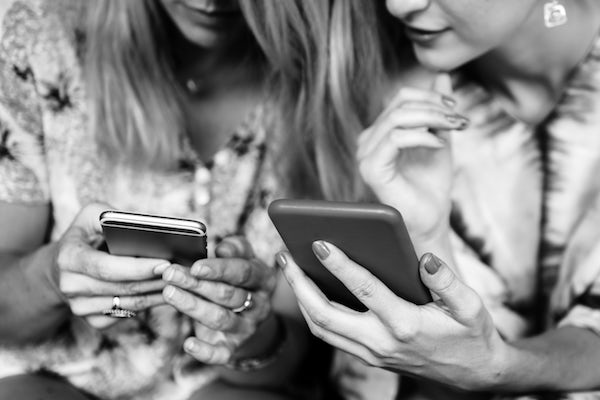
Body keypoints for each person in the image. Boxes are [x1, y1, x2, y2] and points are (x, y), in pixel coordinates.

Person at [248, 0, 600, 398]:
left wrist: (501, 366)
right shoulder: (387, 107)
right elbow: (450, 363)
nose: (400, 4)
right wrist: (429, 236)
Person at [0, 0, 326, 399]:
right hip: (56, 375)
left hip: (226, 385)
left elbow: (288, 361)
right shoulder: (43, 39)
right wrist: (51, 276)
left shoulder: (321, 79)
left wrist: (252, 332)